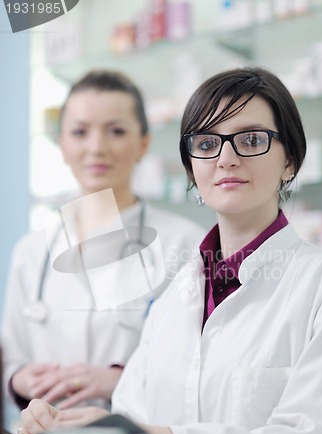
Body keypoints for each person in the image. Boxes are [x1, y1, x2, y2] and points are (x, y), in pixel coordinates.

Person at [17, 66, 322, 434]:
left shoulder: (321, 287)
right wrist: (82, 430)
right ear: (191, 170)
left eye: (251, 139)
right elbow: (134, 416)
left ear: (290, 159)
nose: (226, 157)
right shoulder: (176, 296)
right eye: (206, 143)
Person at [1, 69, 205, 412]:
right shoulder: (31, 252)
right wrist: (21, 378)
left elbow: (198, 364)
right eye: (80, 132)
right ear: (62, 146)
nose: (96, 147)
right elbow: (12, 357)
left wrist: (122, 380)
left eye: (116, 131)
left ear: (143, 144)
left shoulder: (183, 243)